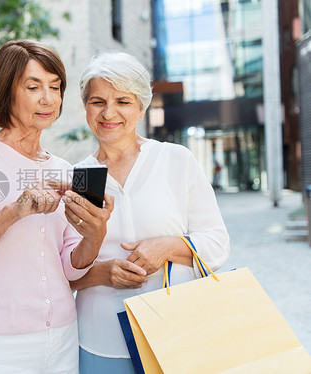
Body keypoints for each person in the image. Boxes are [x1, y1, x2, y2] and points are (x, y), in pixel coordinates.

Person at [0, 40, 113, 374]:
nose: (48, 98)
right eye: (33, 86)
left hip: (62, 335)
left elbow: (72, 269)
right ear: (6, 91)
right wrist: (14, 212)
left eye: (55, 87)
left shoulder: (70, 171)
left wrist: (96, 233)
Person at [67, 52, 230, 373]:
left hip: (175, 332)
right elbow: (65, 271)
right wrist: (105, 273)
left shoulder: (175, 159)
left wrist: (168, 246)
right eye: (97, 101)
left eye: (123, 101)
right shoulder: (80, 176)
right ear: (86, 107)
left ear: (141, 107)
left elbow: (218, 244)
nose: (109, 112)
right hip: (101, 340)